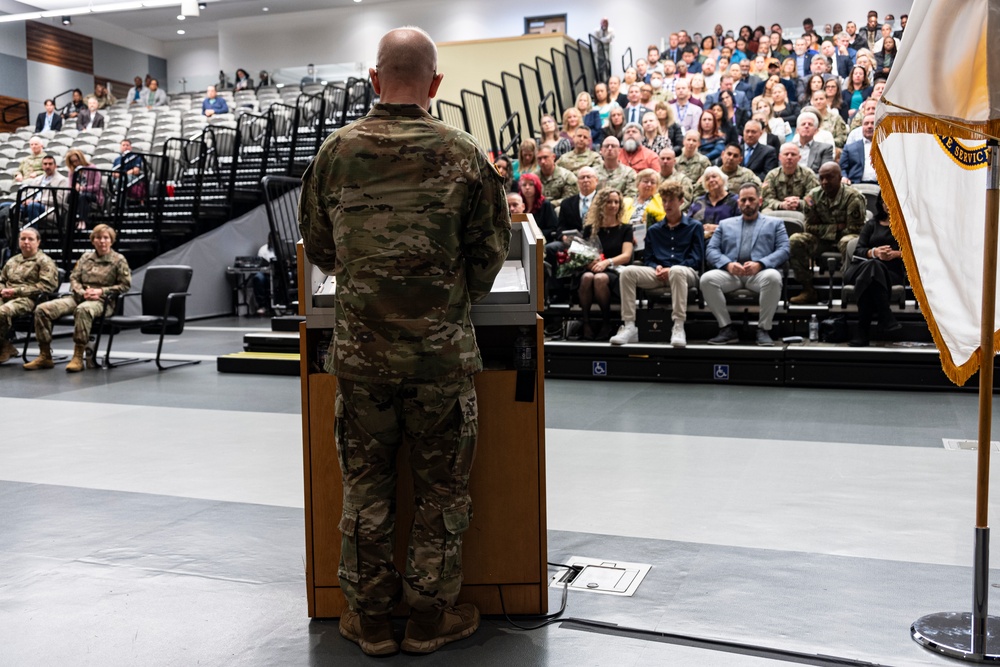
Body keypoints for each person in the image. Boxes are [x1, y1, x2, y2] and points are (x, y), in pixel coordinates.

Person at [297, 26, 510, 658]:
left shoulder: (335, 153)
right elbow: (489, 257)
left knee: (367, 487)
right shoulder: (464, 153)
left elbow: (322, 251)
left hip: (362, 358)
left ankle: (369, 619)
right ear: (436, 84)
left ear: (373, 79)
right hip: (441, 359)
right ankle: (428, 617)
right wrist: (440, 300)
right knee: (441, 488)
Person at [25, 224, 131, 372]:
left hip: (102, 301)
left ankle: (78, 355)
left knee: (83, 309)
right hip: (78, 297)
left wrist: (101, 291)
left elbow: (125, 285)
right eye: (98, 238)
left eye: (106, 238)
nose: (102, 241)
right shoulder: (85, 257)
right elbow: (74, 278)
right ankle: (45, 355)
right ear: (93, 240)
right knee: (42, 309)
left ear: (111, 240)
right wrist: (82, 292)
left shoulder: (119, 260)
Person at [611, 181, 703, 347]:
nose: (667, 205)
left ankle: (678, 326)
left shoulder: (695, 227)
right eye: (664, 201)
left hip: (685, 272)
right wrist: (656, 267)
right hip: (659, 273)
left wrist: (672, 268)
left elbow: (696, 258)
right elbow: (648, 258)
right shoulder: (654, 230)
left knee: (676, 271)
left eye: (671, 200)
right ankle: (629, 325)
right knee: (627, 272)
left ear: (681, 201)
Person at [700, 183, 789, 346]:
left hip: (759, 274)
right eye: (743, 200)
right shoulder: (725, 224)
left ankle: (763, 329)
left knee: (774, 277)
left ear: (760, 201)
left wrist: (761, 264)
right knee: (707, 279)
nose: (747, 203)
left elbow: (784, 249)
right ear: (738, 202)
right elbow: (711, 250)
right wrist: (728, 265)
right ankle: (726, 327)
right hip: (732, 274)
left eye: (751, 199)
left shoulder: (775, 223)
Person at [789, 162, 866, 304]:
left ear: (839, 177)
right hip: (823, 241)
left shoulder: (853, 197)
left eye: (829, 177)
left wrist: (824, 228)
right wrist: (836, 227)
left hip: (847, 239)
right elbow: (809, 227)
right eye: (821, 178)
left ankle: (850, 287)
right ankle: (807, 290)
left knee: (847, 242)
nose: (824, 182)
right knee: (796, 240)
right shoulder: (812, 197)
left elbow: (855, 229)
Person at [845, 198, 904, 346]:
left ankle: (862, 329)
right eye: (884, 201)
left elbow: (917, 252)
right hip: (860, 268)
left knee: (873, 275)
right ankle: (885, 315)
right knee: (873, 265)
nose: (887, 204)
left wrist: (897, 254)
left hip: (890, 273)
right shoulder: (871, 224)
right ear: (880, 203)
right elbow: (857, 251)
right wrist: (874, 252)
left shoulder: (906, 225)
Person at [577, 187, 633, 340]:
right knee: (587, 277)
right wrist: (589, 262)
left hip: (614, 269)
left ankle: (606, 322)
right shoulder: (590, 229)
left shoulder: (625, 229)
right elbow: (583, 253)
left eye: (616, 202)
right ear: (601, 204)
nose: (613, 205)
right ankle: (586, 322)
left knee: (600, 279)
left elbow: (626, 255)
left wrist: (606, 263)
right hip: (593, 268)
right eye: (609, 202)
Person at [0, 227, 59, 364]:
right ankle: (5, 346)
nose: (26, 242)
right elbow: (2, 280)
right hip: (6, 295)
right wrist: (2, 289)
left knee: (2, 312)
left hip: (30, 299)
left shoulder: (44, 261)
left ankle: (3, 345)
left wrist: (16, 291)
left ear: (38, 242)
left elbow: (46, 287)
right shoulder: (13, 260)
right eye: (23, 239)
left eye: (30, 239)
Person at [762, 142, 820, 213]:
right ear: (780, 157)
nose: (789, 157)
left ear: (799, 158)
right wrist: (781, 205)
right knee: (765, 212)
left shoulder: (808, 174)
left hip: (801, 210)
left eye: (793, 154)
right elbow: (766, 200)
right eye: (786, 154)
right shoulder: (772, 175)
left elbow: (812, 200)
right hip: (778, 209)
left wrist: (798, 203)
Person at [688, 166, 739, 239]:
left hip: (727, 242)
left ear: (723, 179)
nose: (711, 180)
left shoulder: (735, 200)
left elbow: (741, 225)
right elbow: (688, 225)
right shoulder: (698, 202)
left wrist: (718, 228)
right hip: (701, 243)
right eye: (707, 179)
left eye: (714, 176)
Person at [65, 149, 103, 228]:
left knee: (83, 196)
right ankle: (69, 223)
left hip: (93, 194)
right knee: (70, 196)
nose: (75, 163)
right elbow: (70, 187)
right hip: (78, 195)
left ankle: (82, 221)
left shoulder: (92, 168)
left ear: (81, 158)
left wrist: (83, 188)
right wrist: (74, 187)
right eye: (73, 161)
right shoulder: (72, 171)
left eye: (76, 160)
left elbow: (96, 186)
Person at [518, 172, 558, 241]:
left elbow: (553, 228)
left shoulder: (545, 204)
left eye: (531, 184)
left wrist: (535, 235)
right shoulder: (517, 204)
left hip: (542, 240)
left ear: (537, 186)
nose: (527, 187)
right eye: (524, 185)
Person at [840, 114, 878, 185]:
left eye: (873, 123)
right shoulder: (850, 148)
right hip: (856, 185)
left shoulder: (888, 147)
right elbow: (842, 168)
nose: (869, 126)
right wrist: (844, 177)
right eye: (866, 124)